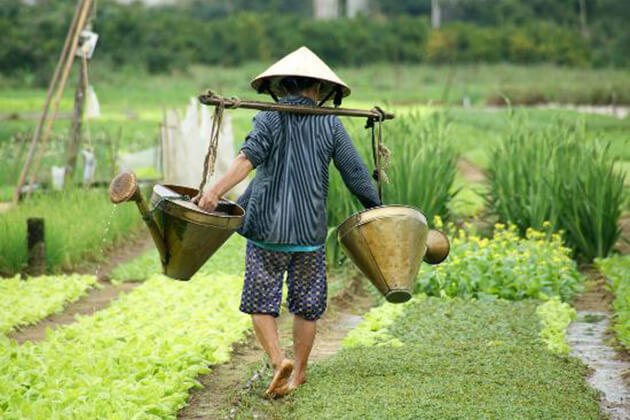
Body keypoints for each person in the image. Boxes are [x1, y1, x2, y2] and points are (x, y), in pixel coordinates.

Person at [197, 46, 380, 398]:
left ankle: (278, 359)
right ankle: (299, 372)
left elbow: (247, 159)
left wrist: (215, 190)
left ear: (282, 86)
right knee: (307, 305)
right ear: (319, 90)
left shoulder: (269, 117)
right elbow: (356, 174)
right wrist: (378, 208)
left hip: (267, 231)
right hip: (309, 234)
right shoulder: (330, 123)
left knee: (260, 301)